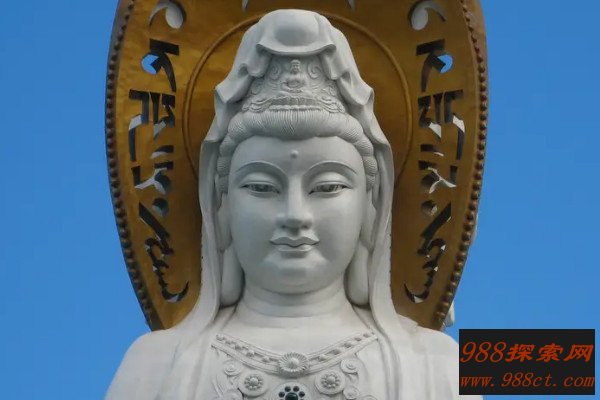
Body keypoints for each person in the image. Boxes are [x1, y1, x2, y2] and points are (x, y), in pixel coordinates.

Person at [107, 9, 479, 400]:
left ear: (371, 205)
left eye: (328, 187)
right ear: (221, 206)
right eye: (261, 187)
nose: (295, 216)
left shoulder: (439, 364)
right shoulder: (154, 364)